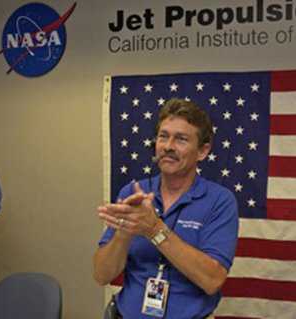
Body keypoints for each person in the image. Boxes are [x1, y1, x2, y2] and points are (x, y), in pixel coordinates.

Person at [94, 98, 239, 319]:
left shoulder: (220, 201)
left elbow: (212, 281)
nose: (168, 146)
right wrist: (124, 233)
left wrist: (154, 229)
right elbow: (101, 275)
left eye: (181, 139)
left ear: (202, 151)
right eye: (163, 136)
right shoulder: (133, 194)